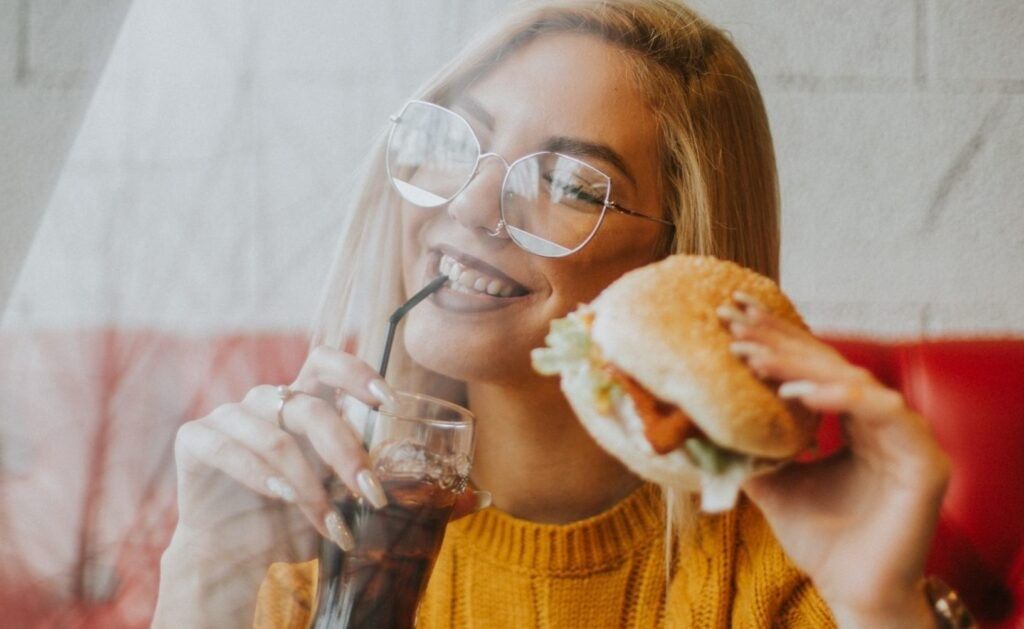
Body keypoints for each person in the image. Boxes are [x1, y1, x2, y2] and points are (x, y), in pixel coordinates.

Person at [153, 1, 953, 627]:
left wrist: (882, 614)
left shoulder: (791, 588)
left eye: (570, 184)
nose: (468, 204)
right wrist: (203, 576)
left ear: (678, 263)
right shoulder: (304, 537)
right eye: (458, 141)